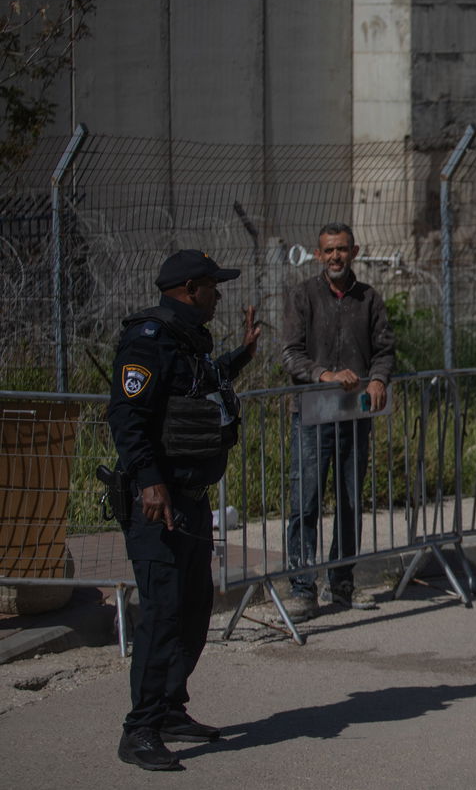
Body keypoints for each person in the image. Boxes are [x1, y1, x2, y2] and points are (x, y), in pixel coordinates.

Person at [107, 249, 261, 770]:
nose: (220, 293)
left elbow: (202, 387)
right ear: (191, 288)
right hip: (159, 505)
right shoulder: (146, 340)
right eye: (214, 286)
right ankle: (140, 730)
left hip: (191, 503)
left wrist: (243, 353)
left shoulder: (187, 340)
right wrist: (151, 483)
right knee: (163, 616)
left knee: (195, 610)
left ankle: (171, 707)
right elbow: (127, 417)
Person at [281, 223, 396, 621]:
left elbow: (385, 350)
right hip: (311, 418)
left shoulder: (369, 299)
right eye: (329, 250)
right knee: (305, 503)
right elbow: (291, 354)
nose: (335, 257)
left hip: (354, 418)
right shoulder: (303, 297)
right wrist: (324, 375)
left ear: (355, 251)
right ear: (318, 254)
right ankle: (301, 587)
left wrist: (379, 378)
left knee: (349, 502)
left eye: (342, 250)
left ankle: (342, 581)